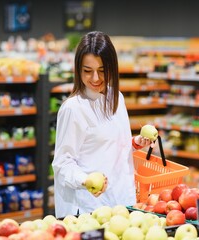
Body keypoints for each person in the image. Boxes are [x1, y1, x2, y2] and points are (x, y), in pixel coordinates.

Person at [52, 31, 154, 218]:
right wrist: (85, 180)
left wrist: (136, 142)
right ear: (78, 70)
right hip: (88, 207)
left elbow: (108, 146)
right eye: (87, 71)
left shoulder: (116, 98)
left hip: (121, 201)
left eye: (102, 70)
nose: (96, 78)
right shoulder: (73, 108)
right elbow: (62, 164)